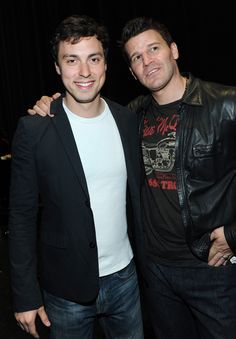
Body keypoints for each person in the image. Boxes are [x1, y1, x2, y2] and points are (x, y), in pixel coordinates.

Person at [28, 16, 236, 339]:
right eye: (136, 57)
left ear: (175, 50)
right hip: (155, 273)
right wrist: (50, 103)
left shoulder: (225, 104)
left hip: (211, 269)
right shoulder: (131, 116)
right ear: (130, 71)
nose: (147, 61)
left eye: (153, 49)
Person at [8, 14, 145, 339]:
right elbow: (22, 216)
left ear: (105, 65)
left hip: (127, 279)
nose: (84, 72)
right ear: (57, 68)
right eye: (72, 60)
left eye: (93, 59)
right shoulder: (35, 129)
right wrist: (25, 295)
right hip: (65, 290)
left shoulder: (127, 120)